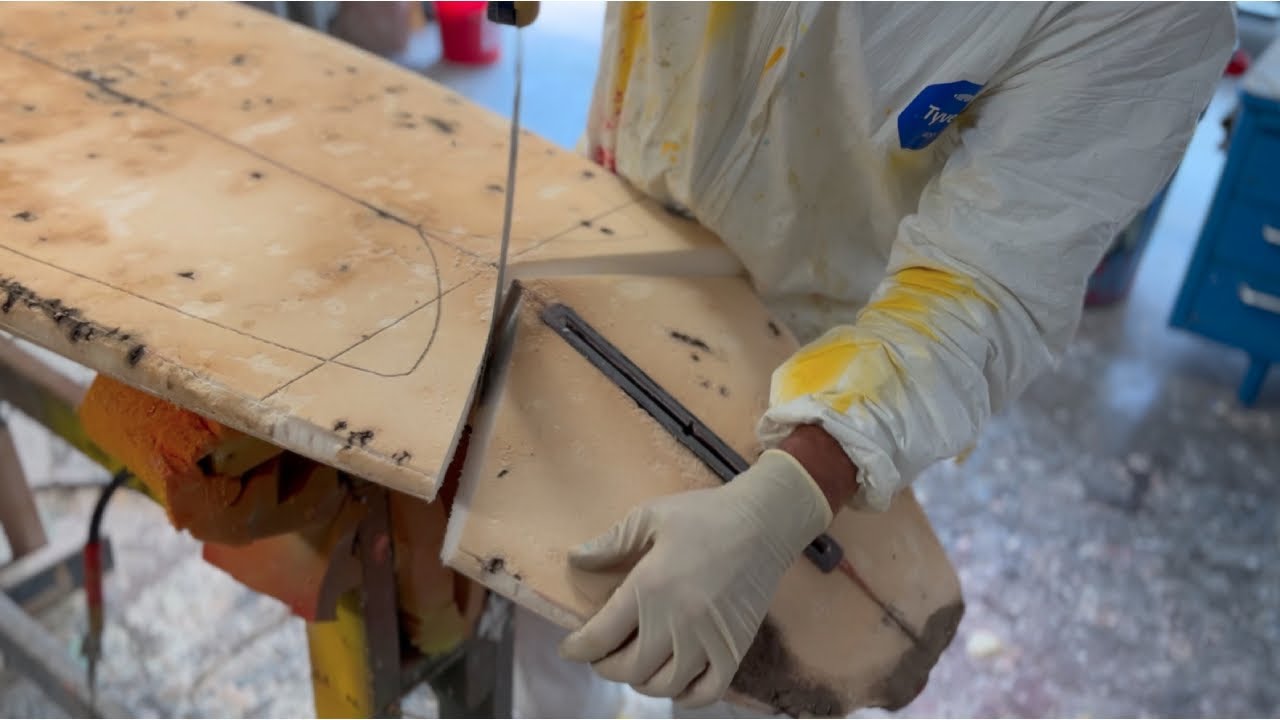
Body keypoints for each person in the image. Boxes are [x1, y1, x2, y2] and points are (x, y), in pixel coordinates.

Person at [515, 2, 1237, 716]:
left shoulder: (1152, 12)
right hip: (625, 224)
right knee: (542, 581)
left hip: (827, 368)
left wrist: (788, 496)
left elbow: (990, 284)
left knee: (749, 672)